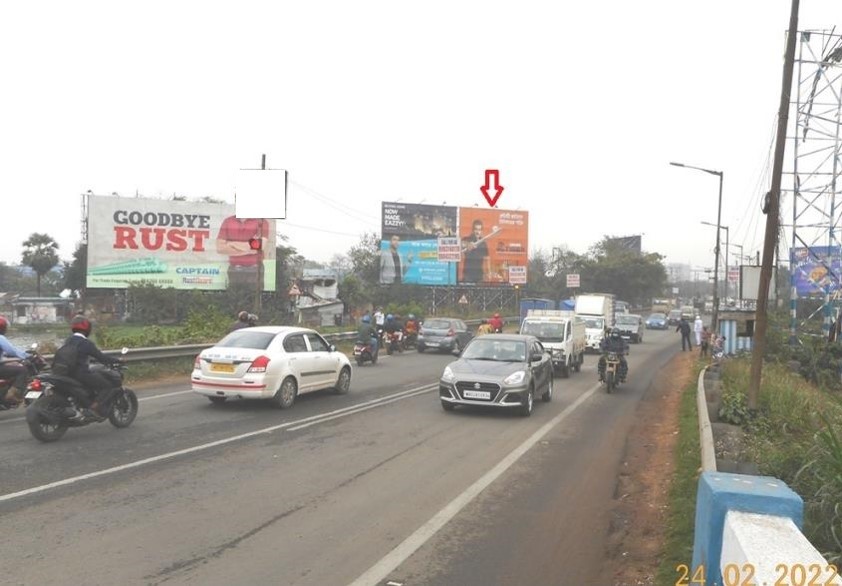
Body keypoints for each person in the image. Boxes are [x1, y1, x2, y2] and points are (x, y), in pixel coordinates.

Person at [52, 315, 124, 421]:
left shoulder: (68, 341)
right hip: (80, 374)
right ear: (87, 328)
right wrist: (118, 360)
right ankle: (94, 408)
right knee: (108, 386)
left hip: (65, 373)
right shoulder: (86, 343)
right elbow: (101, 357)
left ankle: (84, 405)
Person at [215, 215, 270, 290]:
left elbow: (260, 246)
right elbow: (220, 248)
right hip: (234, 270)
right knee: (234, 299)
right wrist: (249, 247)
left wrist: (232, 244)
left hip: (255, 270)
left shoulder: (261, 221)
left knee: (254, 300)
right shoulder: (228, 221)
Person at [0, 315, 29, 405]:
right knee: (22, 370)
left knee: (11, 365)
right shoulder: (1, 338)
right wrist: (26, 355)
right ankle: (12, 394)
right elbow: (12, 350)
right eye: (5, 328)